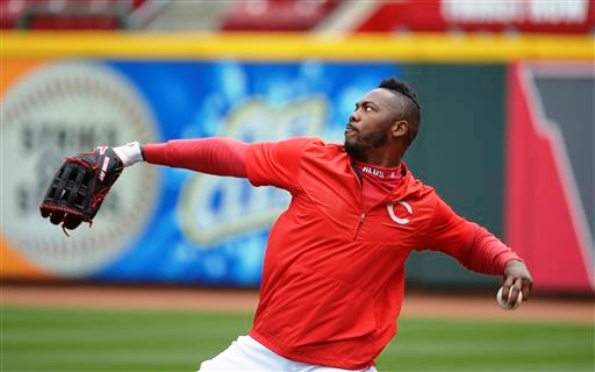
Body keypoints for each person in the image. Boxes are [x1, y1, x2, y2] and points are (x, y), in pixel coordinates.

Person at [109, 77, 533, 371]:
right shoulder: (310, 159)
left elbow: (468, 239)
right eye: (355, 106)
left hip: (344, 366)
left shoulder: (420, 206)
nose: (354, 115)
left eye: (368, 109)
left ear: (398, 128)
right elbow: (227, 154)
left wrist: (509, 261)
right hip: (264, 352)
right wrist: (137, 152)